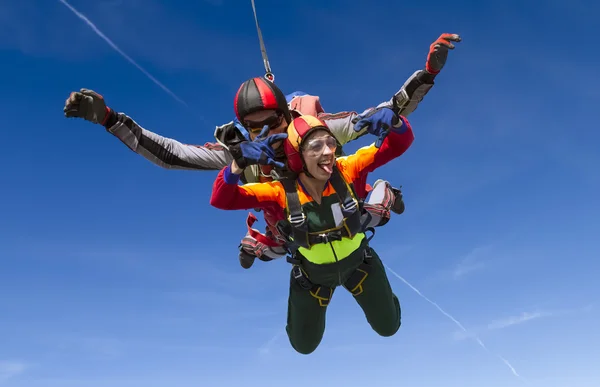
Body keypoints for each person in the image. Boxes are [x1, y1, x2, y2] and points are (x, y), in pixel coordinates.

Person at [62, 33, 461, 267]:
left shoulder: (317, 130)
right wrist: (112, 120)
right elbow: (174, 156)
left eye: (270, 123)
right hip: (292, 219)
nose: (262, 134)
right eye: (252, 128)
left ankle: (385, 194)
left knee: (368, 215)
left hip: (340, 201)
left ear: (285, 113)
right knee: (273, 240)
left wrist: (427, 73)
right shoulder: (245, 149)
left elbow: (386, 113)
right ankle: (266, 242)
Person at [209, 111, 414, 354]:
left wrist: (396, 123)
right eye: (316, 146)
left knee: (389, 327)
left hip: (359, 265)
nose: (328, 152)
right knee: (303, 345)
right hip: (313, 278)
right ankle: (253, 245)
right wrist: (237, 165)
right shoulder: (279, 192)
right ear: (298, 157)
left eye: (330, 143)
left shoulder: (347, 168)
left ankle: (384, 194)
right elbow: (222, 199)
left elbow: (400, 143)